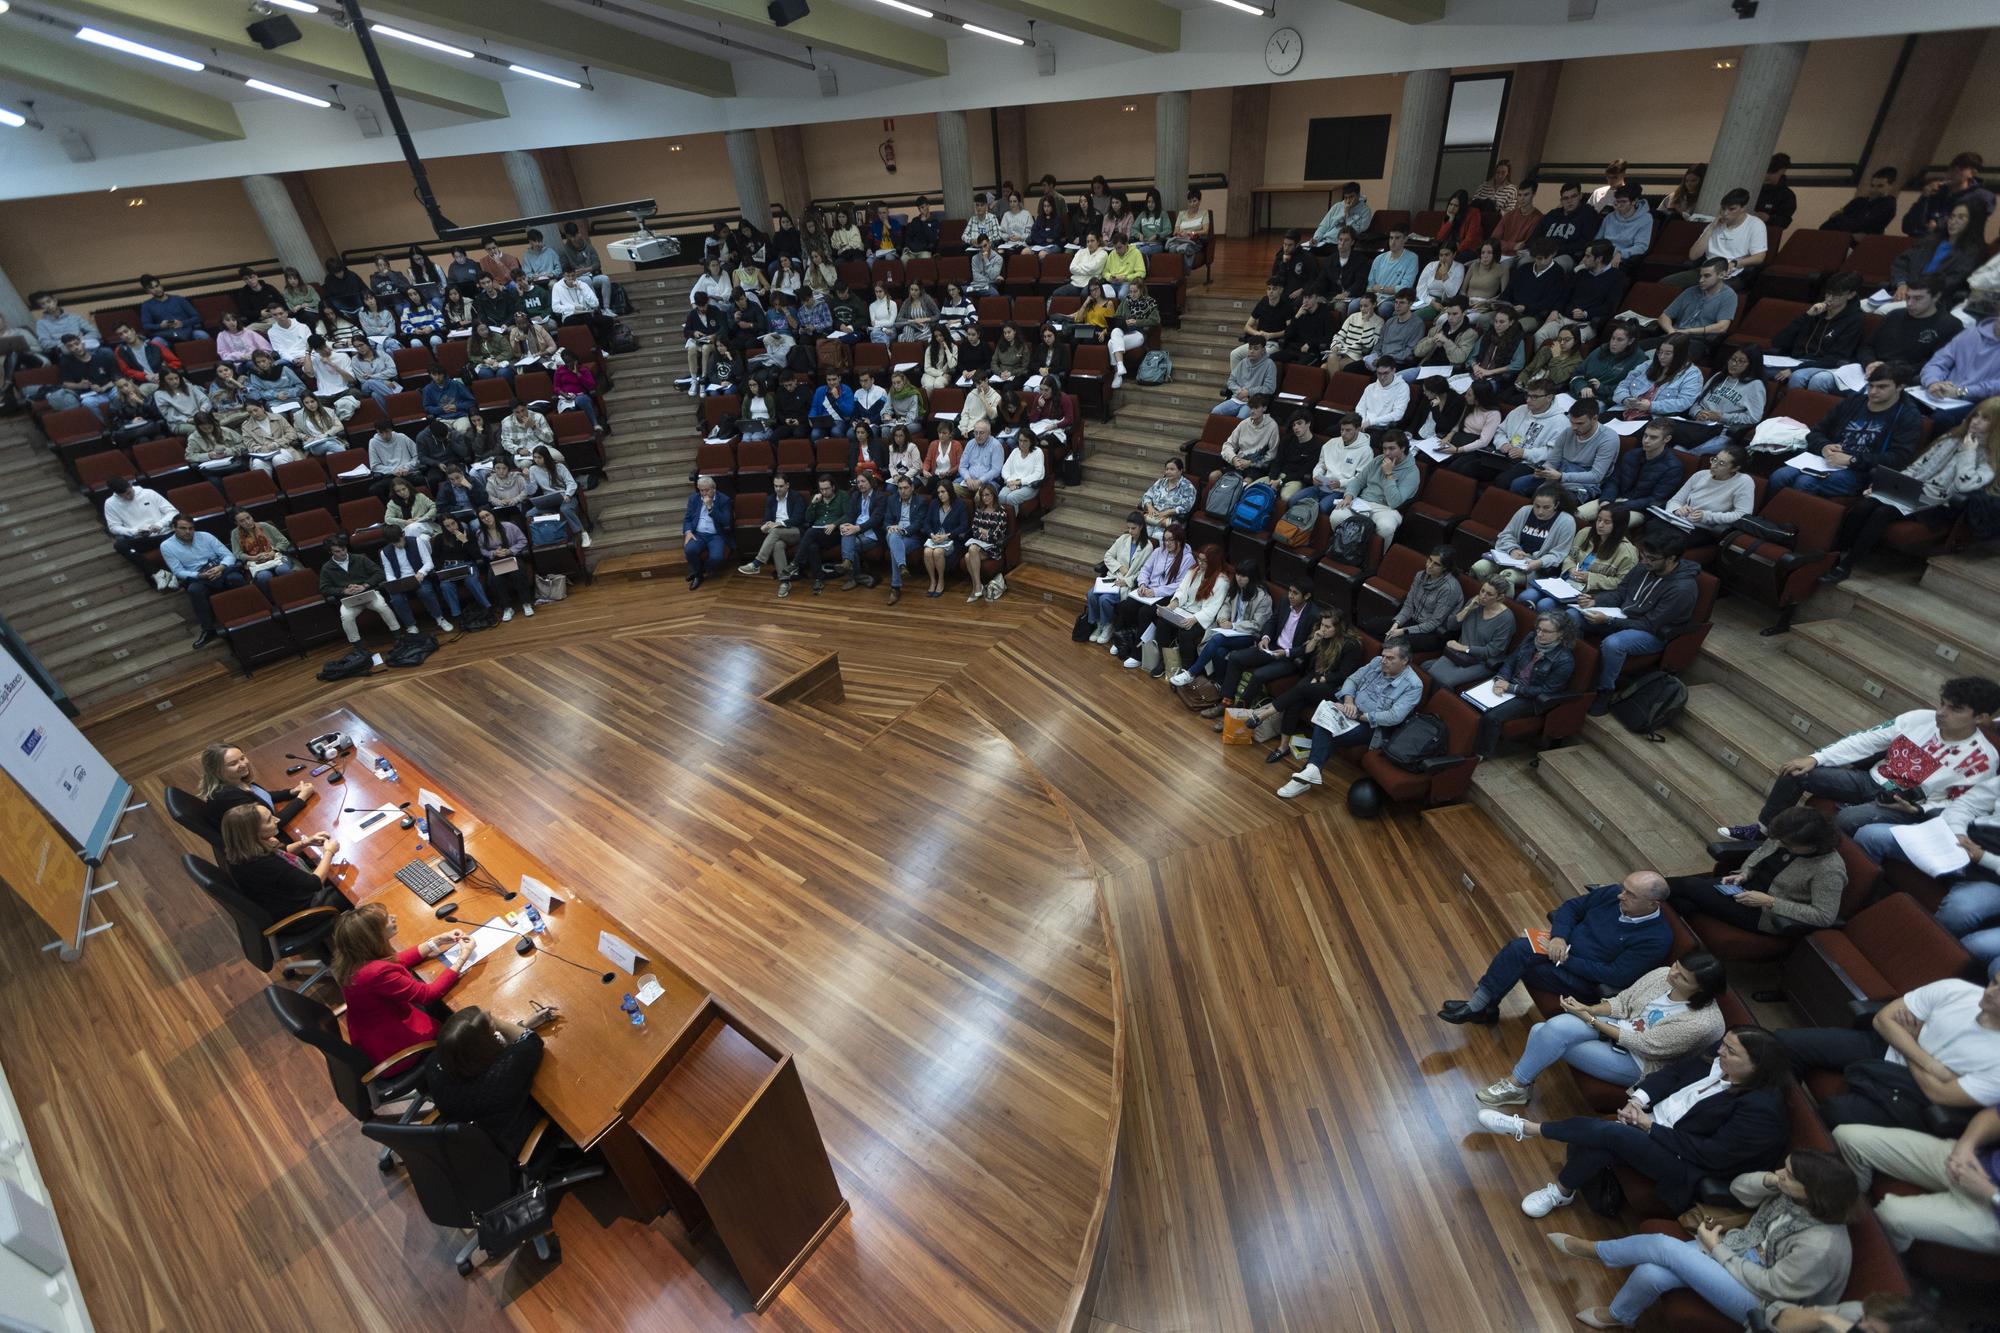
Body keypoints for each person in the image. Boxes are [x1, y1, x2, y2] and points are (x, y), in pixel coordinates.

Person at [1476, 1027, 1791, 1221]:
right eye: (1723, 1044)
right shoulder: (1717, 1060)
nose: (1720, 1050)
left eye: (1730, 1050)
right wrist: (1638, 1101)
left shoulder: (1761, 1111)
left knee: (1613, 1134)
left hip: (1686, 1162)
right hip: (1651, 1121)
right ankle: (1561, 1191)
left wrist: (1649, 1128)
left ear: (1756, 1066)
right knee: (1606, 1140)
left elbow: (1713, 1155)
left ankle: (1529, 1129)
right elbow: (1673, 1074)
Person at [1549, 1151, 1859, 1330]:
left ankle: (1594, 1250)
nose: (1780, 1173)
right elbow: (1739, 1189)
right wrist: (1769, 1180)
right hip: (1744, 1251)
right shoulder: (1794, 1196)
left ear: (1812, 1191)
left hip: (1766, 1302)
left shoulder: (1822, 1246)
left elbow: (1771, 1286)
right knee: (1649, 1272)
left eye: (1788, 1175)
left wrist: (1716, 1248)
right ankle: (1619, 1316)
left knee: (1660, 1245)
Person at [1720, 677, 2000, 852]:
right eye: (1942, 703)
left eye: (1954, 709)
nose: (1941, 712)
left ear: (1982, 718)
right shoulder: (1919, 718)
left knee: (1848, 820)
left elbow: (1964, 807)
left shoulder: (1983, 760)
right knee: (1795, 773)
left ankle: (1799, 855)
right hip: (1870, 780)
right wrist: (1815, 758)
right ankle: (1764, 830)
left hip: (1904, 807)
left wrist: (1918, 809)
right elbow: (1865, 741)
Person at [1476, 952, 1728, 1109]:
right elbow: (1623, 1001)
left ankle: (1518, 1085)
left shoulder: (1701, 1023)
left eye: (1682, 977)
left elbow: (1644, 1044)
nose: (1672, 975)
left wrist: (1591, 1020)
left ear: (1701, 990)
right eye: (1676, 966)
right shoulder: (1662, 974)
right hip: (1617, 1030)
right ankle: (1518, 1085)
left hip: (1640, 1062)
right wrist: (1590, 1008)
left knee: (1544, 1033)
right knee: (1549, 1030)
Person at [1439, 872, 1673, 1025]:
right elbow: (1571, 908)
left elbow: (1615, 975)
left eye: (1630, 895)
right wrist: (1559, 938)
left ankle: (1482, 1008)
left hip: (1584, 979)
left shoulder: (1656, 938)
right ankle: (1479, 1006)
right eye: (1624, 889)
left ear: (1653, 904)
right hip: (1560, 952)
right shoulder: (1612, 894)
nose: (1621, 896)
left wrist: (1565, 959)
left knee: (1520, 964)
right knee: (1518, 949)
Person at [1775, 976, 2000, 1131]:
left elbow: (1940, 1094)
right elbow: (1882, 1019)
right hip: (1884, 1047)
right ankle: (1770, 1111)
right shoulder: (1957, 989)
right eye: (1994, 982)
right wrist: (1927, 1061)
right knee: (1785, 1043)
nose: (1990, 992)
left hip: (1914, 1090)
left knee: (1836, 1113)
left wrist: (1910, 1043)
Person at [1824, 395, 1998, 583]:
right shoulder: (1952, 438)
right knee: (1865, 505)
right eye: (1976, 416)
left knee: (1883, 512)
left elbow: (1966, 484)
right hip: (1912, 490)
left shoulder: (1991, 457)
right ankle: (1835, 555)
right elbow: (1917, 467)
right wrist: (1888, 485)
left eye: (1985, 419)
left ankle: (1846, 565)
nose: (1976, 422)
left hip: (1939, 505)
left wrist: (1968, 452)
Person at [1834, 1104, 2000, 1258]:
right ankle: (1844, 1204)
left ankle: (1871, 1266)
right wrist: (1966, 1146)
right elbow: (1994, 1115)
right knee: (1847, 1137)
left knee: (1891, 1214)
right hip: (1974, 1163)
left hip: (1992, 1213)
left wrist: (1989, 1192)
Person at [1668, 806, 1848, 944]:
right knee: (1682, 903)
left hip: (1764, 914)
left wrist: (1770, 901)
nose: (1780, 845)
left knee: (1688, 886)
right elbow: (1760, 852)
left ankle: (1641, 891)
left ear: (1812, 844)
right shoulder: (1785, 835)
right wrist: (1746, 872)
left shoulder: (1829, 869)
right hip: (1741, 890)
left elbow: (1824, 916)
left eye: (1787, 844)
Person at [331, 903, 468, 1075]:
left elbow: (396, 960)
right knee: (462, 1020)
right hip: (395, 1047)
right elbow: (428, 995)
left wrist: (437, 941)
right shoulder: (376, 973)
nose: (393, 917)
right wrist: (462, 958)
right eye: (386, 919)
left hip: (371, 1034)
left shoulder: (354, 960)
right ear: (374, 936)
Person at [1274, 642, 1422, 799]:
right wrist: (1348, 701)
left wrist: (1358, 716)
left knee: (1327, 729)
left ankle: (1308, 773)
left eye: (1390, 658)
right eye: (1384, 655)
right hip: (1350, 709)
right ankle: (1311, 771)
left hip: (1373, 725)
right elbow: (1352, 679)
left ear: (1404, 660)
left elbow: (1393, 717)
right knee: (1324, 716)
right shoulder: (1376, 662)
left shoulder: (1413, 685)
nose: (1384, 660)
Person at [1570, 529, 1700, 707]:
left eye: (1651, 558)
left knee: (1614, 644)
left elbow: (1650, 624)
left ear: (1671, 559)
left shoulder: (1682, 589)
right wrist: (1595, 601)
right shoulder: (1643, 567)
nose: (1644, 561)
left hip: (1653, 633)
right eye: (1643, 555)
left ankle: (1604, 690)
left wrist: (1608, 620)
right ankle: (1575, 673)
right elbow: (1621, 593)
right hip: (1623, 616)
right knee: (1571, 616)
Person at [1769, 363, 1924, 498]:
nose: (1873, 391)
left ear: (1900, 387)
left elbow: (1898, 458)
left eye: (1881, 387)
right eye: (1870, 385)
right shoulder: (1854, 402)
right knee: (1779, 476)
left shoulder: (1908, 416)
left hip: (1860, 472)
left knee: (1805, 482)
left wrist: (1853, 460)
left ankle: (1789, 528)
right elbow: (1816, 431)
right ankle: (1762, 522)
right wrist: (1823, 446)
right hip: (1825, 461)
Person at [1200, 581, 1320, 724]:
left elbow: (1308, 648)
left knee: (1258, 675)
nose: (1290, 596)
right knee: (1236, 658)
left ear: (1307, 596)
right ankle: (1225, 702)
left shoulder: (1314, 615)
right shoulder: (1284, 602)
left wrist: (1286, 653)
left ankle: (1236, 716)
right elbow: (1272, 622)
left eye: (1295, 593)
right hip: (1272, 647)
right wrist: (1266, 637)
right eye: (1290, 591)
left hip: (1291, 658)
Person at [1466, 611, 1577, 756]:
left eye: (1546, 631)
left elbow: (1547, 690)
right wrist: (1502, 679)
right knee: (1469, 700)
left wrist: (1512, 688)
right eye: (1539, 628)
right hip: (1509, 683)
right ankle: (1466, 743)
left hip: (1530, 698)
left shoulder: (1565, 660)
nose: (1539, 634)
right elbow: (1512, 661)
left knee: (1492, 717)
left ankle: (1481, 754)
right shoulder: (1531, 638)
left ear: (1561, 634)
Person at [216, 803, 343, 923]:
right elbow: (314, 883)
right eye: (269, 820)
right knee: (348, 890)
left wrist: (306, 842)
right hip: (303, 913)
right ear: (253, 833)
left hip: (288, 898)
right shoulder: (263, 865)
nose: (276, 820)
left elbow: (281, 851)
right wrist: (329, 852)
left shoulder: (242, 850)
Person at [1170, 565, 1272, 689]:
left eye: (1243, 576)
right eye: (1238, 574)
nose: (1239, 578)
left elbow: (1258, 624)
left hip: (1250, 635)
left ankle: (1191, 673)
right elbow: (1226, 606)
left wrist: (1233, 625)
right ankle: (1219, 684)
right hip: (1231, 632)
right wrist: (1222, 619)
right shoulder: (1237, 589)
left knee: (1218, 639)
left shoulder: (1263, 598)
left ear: (1252, 578)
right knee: (1220, 651)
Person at [159, 515, 246, 648]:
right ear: (173, 528)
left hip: (219, 568)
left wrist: (221, 567)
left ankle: (248, 611)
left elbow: (227, 555)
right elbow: (178, 571)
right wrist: (199, 575)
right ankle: (209, 629)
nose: (188, 532)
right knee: (194, 590)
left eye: (191, 528)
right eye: (183, 528)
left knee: (235, 578)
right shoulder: (167, 546)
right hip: (199, 576)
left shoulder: (205, 536)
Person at [1656, 443, 1755, 557]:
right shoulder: (1700, 475)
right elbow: (1676, 500)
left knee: (1665, 542)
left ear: (1735, 468)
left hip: (1702, 529)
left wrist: (1707, 516)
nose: (1714, 465)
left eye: (1721, 464)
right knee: (1653, 527)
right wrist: (1677, 509)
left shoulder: (1743, 482)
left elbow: (1743, 515)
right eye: (1714, 459)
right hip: (1679, 520)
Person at [1473, 484, 1578, 591]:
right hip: (1511, 558)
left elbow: (1559, 554)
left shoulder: (1566, 521)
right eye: (1537, 506)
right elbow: (1506, 535)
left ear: (1556, 505)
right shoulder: (1525, 511)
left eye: (1546, 507)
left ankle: (1501, 606)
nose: (1540, 511)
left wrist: (1539, 562)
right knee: (1479, 567)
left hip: (1536, 567)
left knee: (1506, 577)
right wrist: (1512, 549)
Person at [1425, 576, 1520, 691]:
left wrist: (1462, 647)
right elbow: (1451, 625)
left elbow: (1493, 651)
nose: (1483, 596)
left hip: (1481, 662)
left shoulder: (1506, 619)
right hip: (1458, 653)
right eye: (1482, 591)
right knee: (1429, 671)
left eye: (1489, 594)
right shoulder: (1474, 603)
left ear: (1500, 597)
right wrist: (1468, 609)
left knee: (1444, 681)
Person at [1327, 429, 1419, 544]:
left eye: (1392, 448)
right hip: (1363, 502)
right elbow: (1358, 481)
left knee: (1387, 527)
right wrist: (1348, 496)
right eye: (1385, 448)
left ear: (1403, 448)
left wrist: (1389, 475)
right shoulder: (1378, 460)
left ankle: (1376, 559)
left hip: (1387, 508)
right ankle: (1340, 549)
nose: (1387, 453)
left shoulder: (1412, 472)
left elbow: (1394, 502)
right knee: (1337, 515)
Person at [1367, 547, 1463, 650]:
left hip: (1433, 633)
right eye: (1430, 560)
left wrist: (1402, 631)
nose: (1429, 566)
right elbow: (1409, 605)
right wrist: (1396, 624)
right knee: (1372, 626)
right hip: (1413, 621)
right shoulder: (1420, 575)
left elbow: (1434, 623)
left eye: (1436, 564)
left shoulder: (1449, 589)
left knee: (1395, 643)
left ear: (1445, 568)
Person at [318, 534, 409, 641]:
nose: (343, 553)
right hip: (349, 599)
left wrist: (365, 585)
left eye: (343, 549)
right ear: (330, 552)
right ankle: (358, 648)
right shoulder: (327, 568)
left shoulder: (360, 558)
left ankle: (398, 636)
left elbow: (379, 573)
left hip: (368, 593)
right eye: (337, 551)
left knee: (382, 606)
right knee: (346, 617)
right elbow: (324, 588)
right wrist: (343, 590)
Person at [1919, 315, 2000, 426]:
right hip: (1944, 392)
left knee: (1941, 419)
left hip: (1981, 402)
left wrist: (1959, 392)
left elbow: (1993, 388)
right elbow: (1938, 361)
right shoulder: (1971, 334)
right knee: (1902, 400)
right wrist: (1933, 382)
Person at [1903, 151, 1994, 238]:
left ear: (1972, 173)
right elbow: (1908, 227)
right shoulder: (1935, 192)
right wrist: (1924, 198)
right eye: (1952, 168)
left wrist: (1938, 226)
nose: (1954, 173)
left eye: (1961, 169)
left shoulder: (1978, 198)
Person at [102, 475, 181, 575]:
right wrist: (134, 531)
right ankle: (157, 573)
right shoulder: (110, 503)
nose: (128, 497)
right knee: (120, 545)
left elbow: (173, 512)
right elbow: (113, 527)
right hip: (143, 538)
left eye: (129, 493)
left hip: (165, 534)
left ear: (130, 486)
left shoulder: (148, 493)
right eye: (123, 496)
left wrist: (160, 524)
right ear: (117, 495)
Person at [474, 508, 534, 619]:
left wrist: (510, 550)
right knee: (493, 579)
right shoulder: (480, 533)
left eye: (487, 515)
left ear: (493, 515)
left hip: (512, 556)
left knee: (517, 573)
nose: (486, 519)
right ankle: (507, 607)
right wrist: (493, 553)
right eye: (482, 518)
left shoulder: (509, 526)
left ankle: (526, 603)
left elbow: (523, 540)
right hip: (496, 560)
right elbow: (482, 550)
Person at [879, 475, 929, 606]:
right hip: (894, 534)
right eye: (900, 488)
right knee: (894, 536)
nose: (903, 491)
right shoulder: (892, 500)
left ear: (912, 488)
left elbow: (918, 523)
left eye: (906, 488)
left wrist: (903, 530)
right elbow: (886, 521)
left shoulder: (921, 501)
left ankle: (895, 588)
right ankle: (902, 566)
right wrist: (890, 527)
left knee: (894, 547)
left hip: (912, 537)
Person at [1529, 182, 1602, 270]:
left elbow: (1585, 242)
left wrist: (1555, 251)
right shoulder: (1552, 214)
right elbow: (1535, 236)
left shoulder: (1587, 213)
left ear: (1580, 196)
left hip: (1568, 255)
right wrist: (1539, 251)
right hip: (1542, 252)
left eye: (1573, 196)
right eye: (1565, 198)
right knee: (1524, 262)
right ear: (1561, 201)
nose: (1569, 201)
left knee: (1554, 267)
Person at [679, 475, 730, 590]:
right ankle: (698, 576)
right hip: (698, 533)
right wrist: (688, 532)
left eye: (707, 490)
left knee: (716, 558)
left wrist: (710, 507)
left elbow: (725, 521)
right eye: (701, 490)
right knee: (689, 549)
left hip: (716, 535)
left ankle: (699, 571)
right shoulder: (694, 499)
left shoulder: (724, 500)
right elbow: (687, 519)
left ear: (714, 489)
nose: (704, 493)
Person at [920, 480, 969, 598]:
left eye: (943, 492)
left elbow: (964, 526)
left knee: (937, 552)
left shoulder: (959, 504)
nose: (940, 495)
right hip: (935, 538)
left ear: (950, 491)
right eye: (938, 492)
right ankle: (933, 581)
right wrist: (932, 534)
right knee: (927, 551)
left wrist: (947, 535)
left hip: (951, 540)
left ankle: (941, 580)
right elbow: (926, 523)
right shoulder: (934, 504)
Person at [962, 484, 1009, 602]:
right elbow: (974, 530)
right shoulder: (979, 510)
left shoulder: (1001, 512)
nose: (985, 498)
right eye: (983, 495)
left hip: (993, 548)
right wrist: (985, 532)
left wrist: (984, 533)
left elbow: (997, 535)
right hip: (979, 544)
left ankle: (977, 587)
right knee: (969, 555)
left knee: (971, 551)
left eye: (987, 495)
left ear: (993, 495)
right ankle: (977, 586)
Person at [228, 509, 294, 592]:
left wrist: (273, 552)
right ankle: (272, 600)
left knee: (282, 570)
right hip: (256, 562)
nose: (248, 522)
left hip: (276, 556)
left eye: (248, 518)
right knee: (264, 576)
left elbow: (284, 541)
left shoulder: (264, 526)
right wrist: (253, 558)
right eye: (242, 521)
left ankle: (295, 592)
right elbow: (237, 553)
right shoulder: (235, 533)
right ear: (237, 523)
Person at [1824, 166, 1900, 235]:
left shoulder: (1887, 205)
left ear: (1891, 186)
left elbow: (1859, 225)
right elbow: (1827, 226)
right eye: (1872, 185)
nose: (1874, 190)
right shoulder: (1859, 201)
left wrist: (1839, 217)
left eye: (1880, 186)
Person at [1140, 457, 1196, 539]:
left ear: (1180, 471)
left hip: (1171, 520)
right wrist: (1150, 507)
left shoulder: (1188, 487)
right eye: (1167, 469)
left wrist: (1168, 512)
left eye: (1172, 469)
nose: (1168, 472)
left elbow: (1187, 507)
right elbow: (1147, 496)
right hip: (1153, 517)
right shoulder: (1160, 482)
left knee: (1157, 536)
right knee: (1142, 534)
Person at [1309, 182, 1372, 250]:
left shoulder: (1365, 211)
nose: (1348, 201)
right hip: (1325, 241)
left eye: (1351, 197)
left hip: (1342, 244)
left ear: (1358, 195)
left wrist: (1347, 214)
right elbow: (1324, 226)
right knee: (1303, 251)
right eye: (1346, 198)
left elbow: (1355, 232)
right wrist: (1316, 238)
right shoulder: (1337, 206)